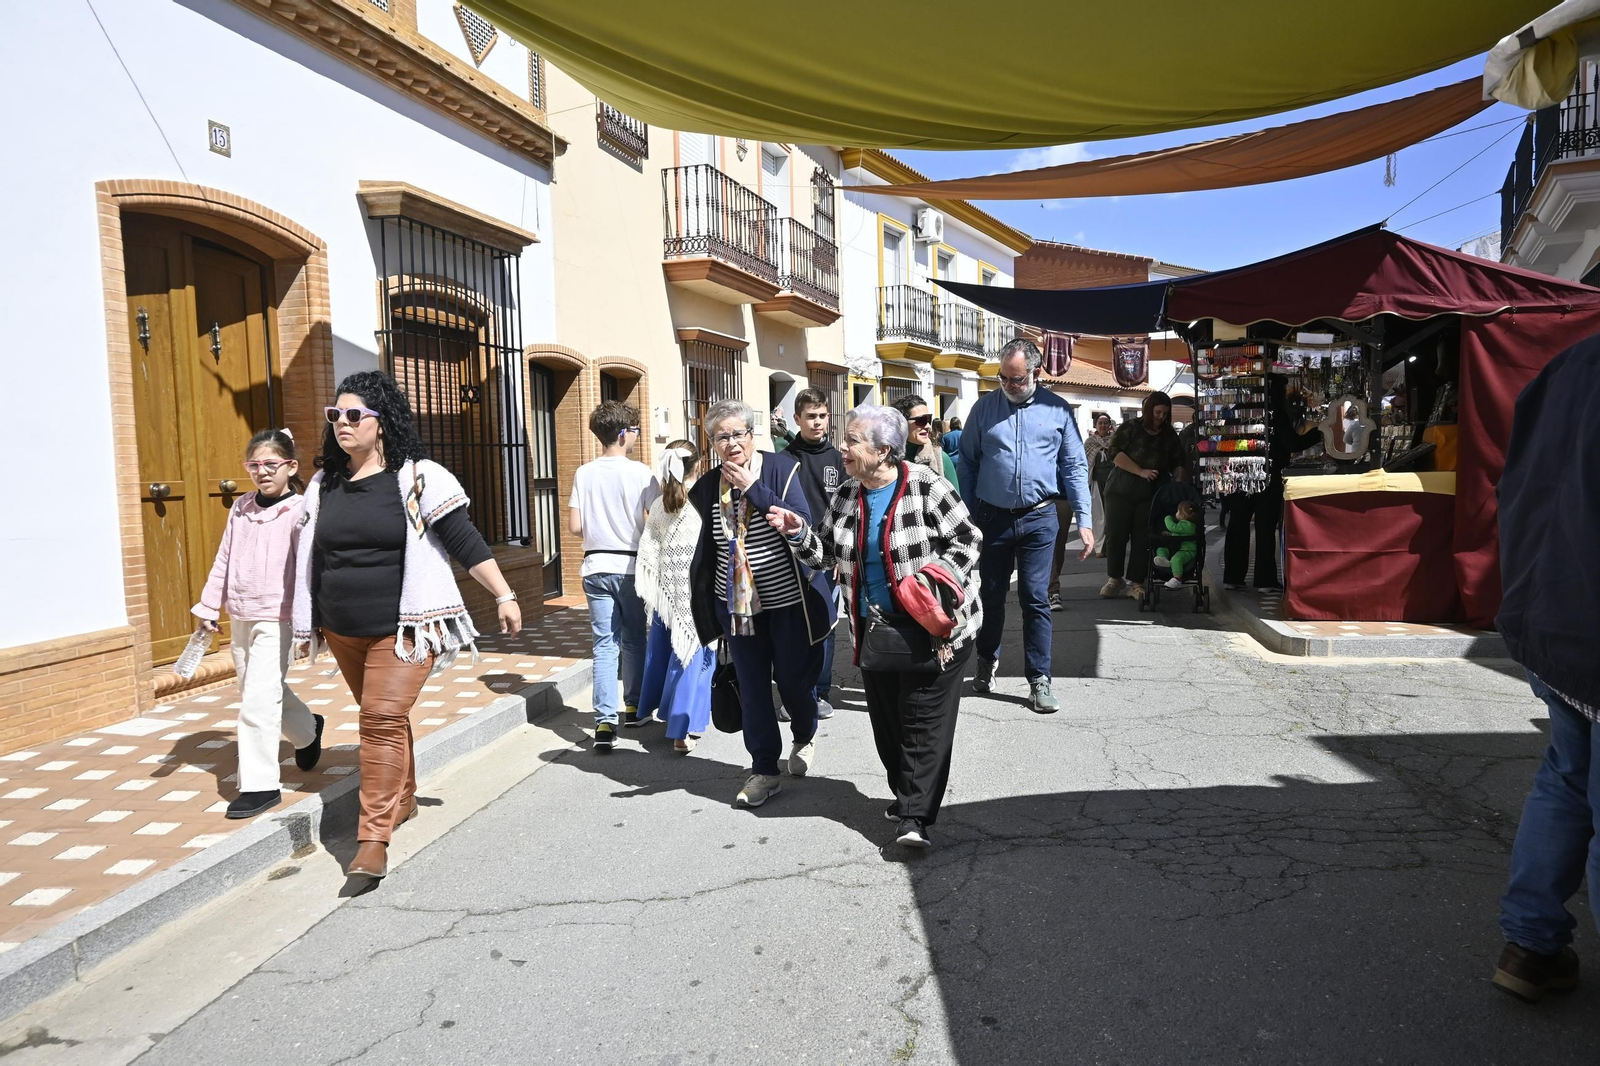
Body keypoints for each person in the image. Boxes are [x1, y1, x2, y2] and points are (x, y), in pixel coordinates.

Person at [292, 371, 522, 881]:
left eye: (354, 415)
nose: (342, 424)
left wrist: (504, 593)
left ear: (382, 422)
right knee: (386, 719)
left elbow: (463, 540)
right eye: (335, 416)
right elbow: (307, 552)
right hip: (342, 630)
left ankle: (372, 838)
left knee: (377, 721)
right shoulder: (323, 484)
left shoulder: (418, 478)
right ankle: (406, 796)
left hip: (406, 630)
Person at [767, 405, 982, 849]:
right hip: (875, 630)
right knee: (887, 725)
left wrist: (935, 580)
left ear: (884, 451)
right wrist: (796, 531)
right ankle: (905, 793)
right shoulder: (848, 493)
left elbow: (969, 540)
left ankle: (914, 817)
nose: (842, 447)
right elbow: (825, 555)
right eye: (844, 439)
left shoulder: (925, 485)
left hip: (935, 628)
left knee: (923, 721)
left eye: (852, 441)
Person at [1491, 334, 1600, 1003]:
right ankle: (1530, 940)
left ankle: (1529, 945)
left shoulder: (1567, 366)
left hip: (1550, 609)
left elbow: (1514, 482)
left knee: (1567, 774)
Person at [687, 400, 836, 807]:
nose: (732, 443)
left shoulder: (781, 470)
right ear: (712, 443)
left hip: (789, 603)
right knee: (752, 689)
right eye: (722, 437)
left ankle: (804, 735)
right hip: (737, 608)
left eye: (738, 434)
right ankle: (764, 769)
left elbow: (801, 521)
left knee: (792, 683)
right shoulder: (705, 488)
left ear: (752, 436)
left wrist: (753, 489)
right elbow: (708, 549)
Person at [957, 338, 1093, 714]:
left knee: (1036, 598)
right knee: (993, 597)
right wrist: (966, 513)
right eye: (1003, 378)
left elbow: (1074, 467)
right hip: (991, 517)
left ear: (1035, 373)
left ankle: (1039, 680)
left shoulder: (1058, 410)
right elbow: (967, 461)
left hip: (1040, 517)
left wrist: (1085, 519)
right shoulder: (984, 409)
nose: (1009, 386)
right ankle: (987, 662)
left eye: (1016, 379)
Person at [193, 428, 322, 820]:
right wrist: (209, 604)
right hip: (241, 614)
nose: (262, 472)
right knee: (258, 689)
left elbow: (308, 570)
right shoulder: (241, 507)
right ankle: (307, 730)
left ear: (290, 466)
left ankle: (260, 784)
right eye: (254, 465)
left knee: (257, 701)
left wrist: (308, 623)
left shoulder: (300, 510)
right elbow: (224, 557)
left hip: (278, 616)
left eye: (270, 464)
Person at [569, 401, 660, 749]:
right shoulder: (641, 473)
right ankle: (634, 707)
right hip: (630, 567)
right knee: (635, 639)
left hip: (595, 567)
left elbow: (575, 525)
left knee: (603, 645)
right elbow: (655, 521)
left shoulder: (584, 472)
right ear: (623, 434)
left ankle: (604, 723)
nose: (637, 436)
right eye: (635, 430)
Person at [635, 440, 714, 753]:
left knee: (668, 654)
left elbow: (650, 549)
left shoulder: (658, 504)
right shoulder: (702, 501)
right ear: (697, 465)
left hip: (666, 595)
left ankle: (671, 716)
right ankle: (683, 729)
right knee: (694, 658)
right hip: (696, 595)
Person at [777, 388, 845, 722]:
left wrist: (841, 556)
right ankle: (793, 694)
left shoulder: (839, 459)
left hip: (828, 557)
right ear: (797, 419)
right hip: (790, 555)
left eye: (822, 416)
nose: (817, 423)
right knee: (791, 626)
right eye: (810, 417)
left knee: (826, 624)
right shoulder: (785, 458)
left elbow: (848, 510)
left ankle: (820, 691)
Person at [1222, 376, 1321, 590]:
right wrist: (1319, 433)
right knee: (1265, 527)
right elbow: (1292, 443)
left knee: (1238, 524)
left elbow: (1225, 443)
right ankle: (1264, 580)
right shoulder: (1275, 412)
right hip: (1268, 475)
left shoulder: (1238, 410)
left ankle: (1233, 577)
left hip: (1239, 476)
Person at [1100, 391, 1185, 603]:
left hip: (1151, 493)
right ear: (1149, 410)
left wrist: (1179, 478)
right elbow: (1115, 453)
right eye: (1157, 412)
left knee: (1143, 537)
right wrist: (1140, 471)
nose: (1161, 417)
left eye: (1165, 413)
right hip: (1121, 488)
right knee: (1116, 535)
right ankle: (1114, 578)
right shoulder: (1131, 427)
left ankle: (1136, 582)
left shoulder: (1168, 434)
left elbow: (1178, 459)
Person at [894, 394, 961, 496]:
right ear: (902, 423)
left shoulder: (941, 458)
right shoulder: (885, 459)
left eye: (929, 420)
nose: (928, 426)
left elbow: (956, 504)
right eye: (921, 420)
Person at [1085, 412, 1115, 558]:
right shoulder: (1090, 442)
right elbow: (1086, 463)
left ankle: (1111, 546)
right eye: (1100, 423)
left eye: (1105, 423)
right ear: (1095, 425)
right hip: (1097, 481)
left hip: (1114, 482)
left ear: (1110, 425)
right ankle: (1099, 548)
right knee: (1098, 515)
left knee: (1112, 514)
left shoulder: (1116, 441)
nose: (1103, 425)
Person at [1154, 500, 1200, 590]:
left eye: (1178, 511)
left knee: (1176, 559)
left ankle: (1177, 579)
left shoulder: (1189, 525)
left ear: (1182, 515)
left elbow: (1173, 527)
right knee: (1161, 549)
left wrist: (1167, 518)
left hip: (1187, 551)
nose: (1176, 513)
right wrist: (1170, 534)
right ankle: (1164, 560)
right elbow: (1180, 533)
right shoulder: (1184, 525)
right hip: (1177, 548)